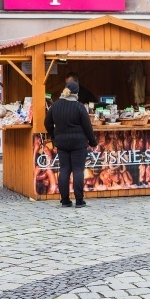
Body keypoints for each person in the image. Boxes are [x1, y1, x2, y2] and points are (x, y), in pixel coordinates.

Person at [44, 80, 98, 208]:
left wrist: (54, 136)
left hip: (62, 143)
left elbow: (47, 123)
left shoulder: (55, 106)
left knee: (64, 170)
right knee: (78, 170)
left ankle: (65, 200)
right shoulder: (79, 107)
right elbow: (87, 127)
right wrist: (92, 141)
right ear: (76, 93)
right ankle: (79, 201)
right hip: (78, 143)